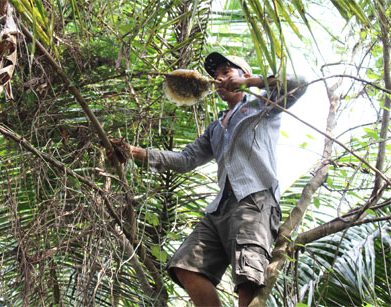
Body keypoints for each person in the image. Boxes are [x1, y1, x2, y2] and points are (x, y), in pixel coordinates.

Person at [116, 52, 307, 306]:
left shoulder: (264, 105)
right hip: (220, 208)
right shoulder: (216, 128)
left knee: (247, 278)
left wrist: (250, 84)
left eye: (227, 72)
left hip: (254, 201)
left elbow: (300, 82)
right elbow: (185, 160)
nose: (219, 79)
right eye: (216, 76)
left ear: (245, 75)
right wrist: (134, 153)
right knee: (186, 267)